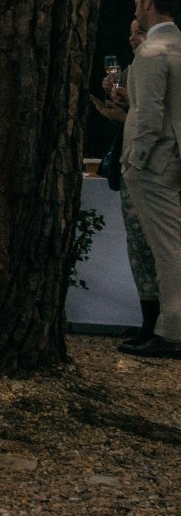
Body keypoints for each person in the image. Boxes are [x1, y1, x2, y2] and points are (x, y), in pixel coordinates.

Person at [118, 0, 181, 360]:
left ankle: (171, 331)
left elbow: (148, 116)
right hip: (176, 157)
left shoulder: (152, 51)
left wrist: (134, 159)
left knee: (167, 249)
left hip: (155, 164)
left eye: (138, 2)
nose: (135, 8)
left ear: (148, 5)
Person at [92, 20, 163, 342]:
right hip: (130, 169)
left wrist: (124, 116)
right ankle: (149, 324)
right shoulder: (136, 70)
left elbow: (156, 124)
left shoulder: (161, 69)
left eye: (139, 31)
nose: (131, 37)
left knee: (153, 252)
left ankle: (161, 327)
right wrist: (120, 106)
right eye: (131, 31)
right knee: (137, 251)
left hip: (152, 173)